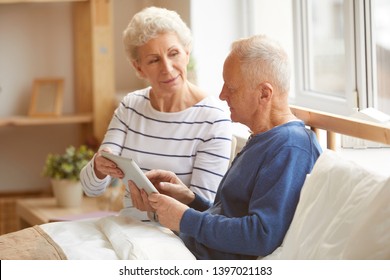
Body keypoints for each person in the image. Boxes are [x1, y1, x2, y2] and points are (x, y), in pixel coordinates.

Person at [130, 34, 323, 259]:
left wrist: (184, 218)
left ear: (264, 94)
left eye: (231, 87)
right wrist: (190, 200)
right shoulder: (264, 139)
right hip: (191, 248)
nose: (222, 95)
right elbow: (232, 214)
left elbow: (261, 235)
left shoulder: (290, 148)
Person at [80, 6, 233, 217]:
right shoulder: (130, 106)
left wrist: (157, 205)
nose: (168, 68)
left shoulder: (213, 118)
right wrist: (98, 166)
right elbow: (91, 189)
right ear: (139, 68)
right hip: (129, 227)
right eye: (154, 60)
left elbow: (204, 208)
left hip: (177, 236)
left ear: (187, 54)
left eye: (174, 54)